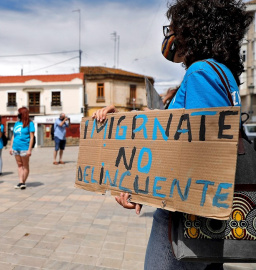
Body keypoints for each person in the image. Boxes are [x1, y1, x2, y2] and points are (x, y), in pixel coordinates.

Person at [93, 1, 251, 269]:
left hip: (185, 219)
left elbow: (200, 155)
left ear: (192, 30)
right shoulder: (222, 73)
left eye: (175, 27)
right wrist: (121, 118)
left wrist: (139, 187)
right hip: (204, 218)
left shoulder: (200, 72)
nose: (171, 35)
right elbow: (172, 128)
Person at [9, 107, 35, 190]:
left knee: (25, 165)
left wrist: (29, 149)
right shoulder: (17, 123)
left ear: (23, 114)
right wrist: (11, 147)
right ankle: (20, 182)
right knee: (19, 165)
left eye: (19, 113)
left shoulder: (30, 124)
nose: (18, 114)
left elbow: (32, 137)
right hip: (16, 147)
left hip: (24, 148)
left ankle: (23, 182)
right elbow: (13, 136)